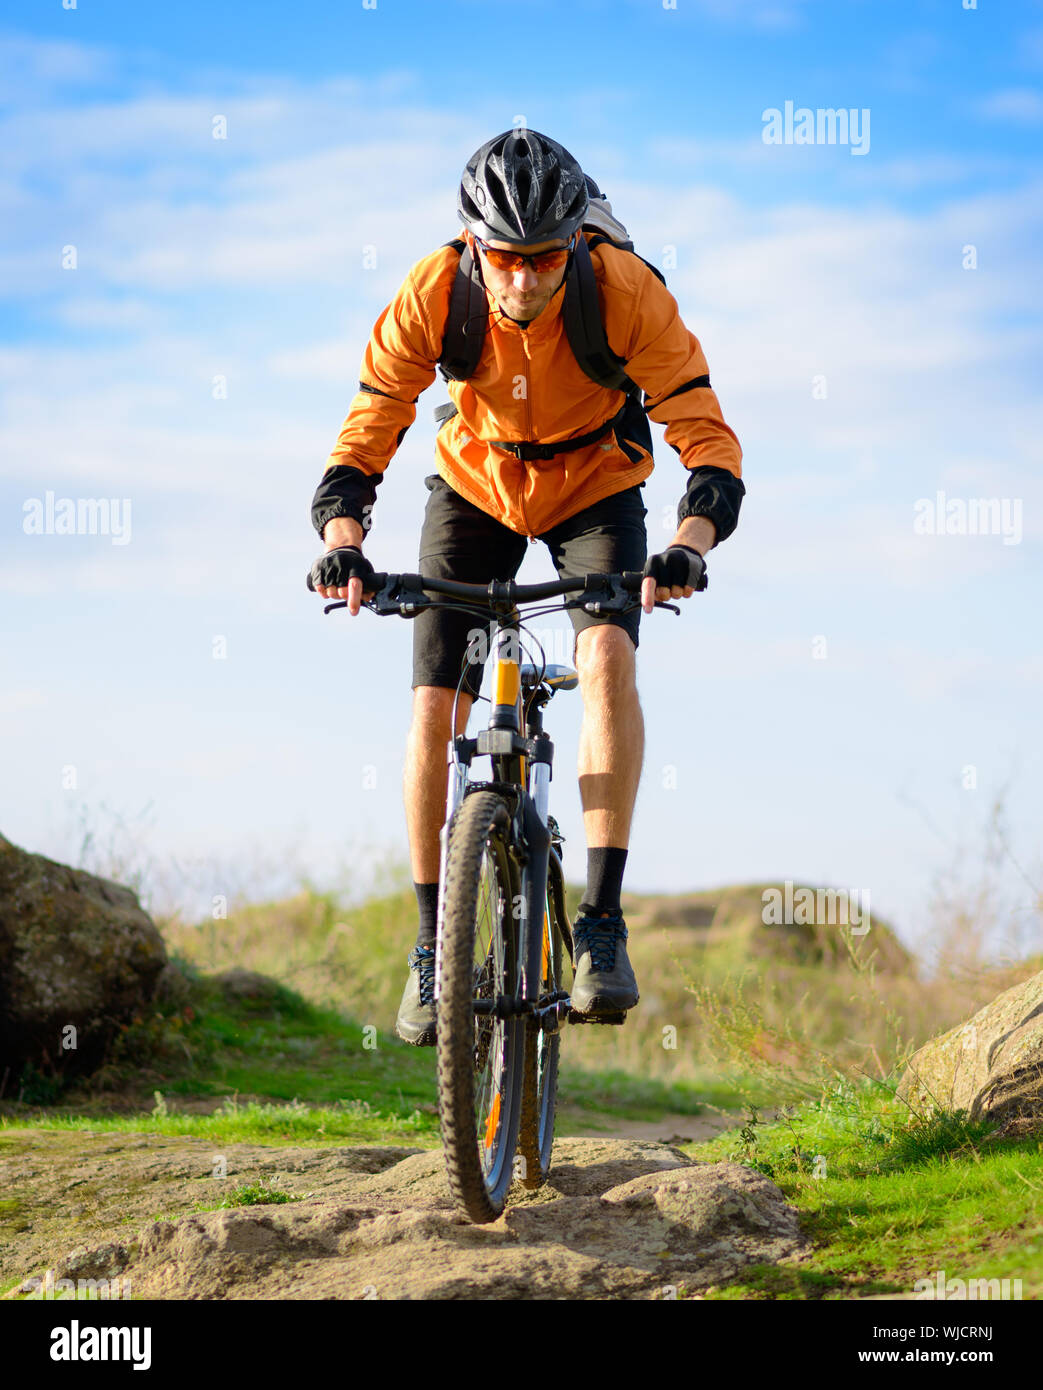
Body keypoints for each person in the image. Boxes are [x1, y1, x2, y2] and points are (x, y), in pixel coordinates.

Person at [308, 128, 744, 1046]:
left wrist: (687, 545)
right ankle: (432, 947)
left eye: (542, 259)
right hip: (473, 488)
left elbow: (703, 434)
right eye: (502, 259)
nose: (521, 280)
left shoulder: (623, 290)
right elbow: (368, 426)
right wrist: (345, 542)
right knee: (435, 703)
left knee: (608, 656)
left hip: (596, 488)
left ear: (573, 244)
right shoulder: (435, 290)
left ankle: (600, 923)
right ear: (472, 246)